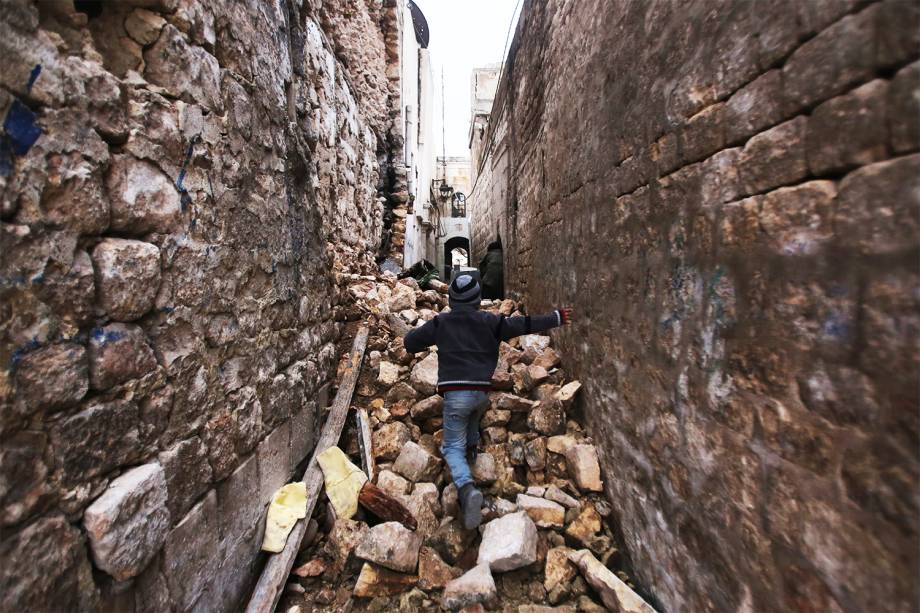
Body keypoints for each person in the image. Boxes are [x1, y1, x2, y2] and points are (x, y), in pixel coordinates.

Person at [403, 274, 572, 529]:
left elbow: (410, 343)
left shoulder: (441, 323)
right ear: (477, 299)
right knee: (473, 417)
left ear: (452, 300)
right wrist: (556, 318)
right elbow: (522, 324)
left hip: (456, 393)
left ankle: (466, 488)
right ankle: (472, 449)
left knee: (450, 447)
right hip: (481, 392)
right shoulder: (491, 321)